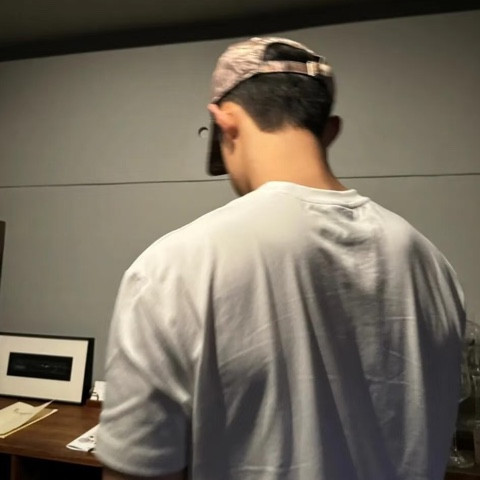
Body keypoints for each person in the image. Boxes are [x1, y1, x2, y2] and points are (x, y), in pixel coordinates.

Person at [96, 37, 466, 480]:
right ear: (330, 131)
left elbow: (136, 471)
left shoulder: (174, 268)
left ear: (225, 122)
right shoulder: (432, 266)